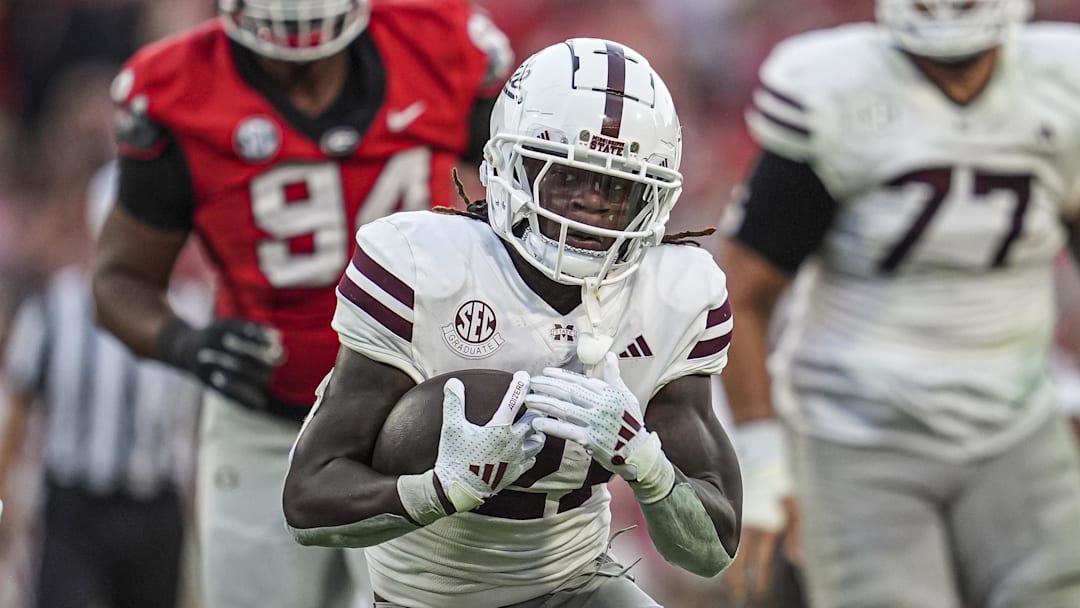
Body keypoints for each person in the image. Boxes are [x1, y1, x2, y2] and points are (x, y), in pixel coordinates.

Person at [283, 38, 742, 608]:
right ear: (510, 166)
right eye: (566, 176)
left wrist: (646, 463)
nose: (592, 203)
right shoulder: (423, 264)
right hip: (427, 597)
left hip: (577, 580)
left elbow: (712, 549)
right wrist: (442, 489)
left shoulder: (675, 292)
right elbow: (308, 502)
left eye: (619, 186)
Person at [90, 1, 513, 606]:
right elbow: (120, 279)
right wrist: (187, 343)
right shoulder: (179, 91)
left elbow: (523, 198)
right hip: (266, 420)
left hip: (417, 416)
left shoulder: (440, 43)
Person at [720, 1, 1080, 607]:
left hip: (1017, 422)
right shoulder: (837, 88)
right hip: (859, 432)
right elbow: (744, 293)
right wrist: (764, 464)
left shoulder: (1061, 82)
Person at [0, 161, 208, 608]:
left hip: (155, 507)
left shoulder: (189, 315)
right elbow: (16, 412)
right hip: (75, 507)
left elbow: (202, 428)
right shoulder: (53, 310)